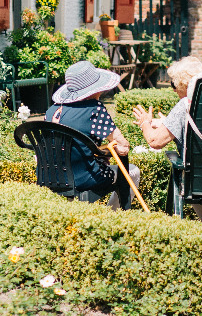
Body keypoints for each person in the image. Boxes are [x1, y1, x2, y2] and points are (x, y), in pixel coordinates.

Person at [132, 56, 202, 224]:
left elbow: (155, 141)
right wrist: (169, 123)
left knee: (192, 168)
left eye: (172, 84)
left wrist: (145, 123)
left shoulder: (186, 103)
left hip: (201, 179)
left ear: (183, 84)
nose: (172, 89)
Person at [46, 61, 141, 210]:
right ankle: (113, 215)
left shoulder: (52, 111)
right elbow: (123, 147)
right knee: (133, 172)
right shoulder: (94, 109)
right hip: (83, 179)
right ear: (95, 89)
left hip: (50, 177)